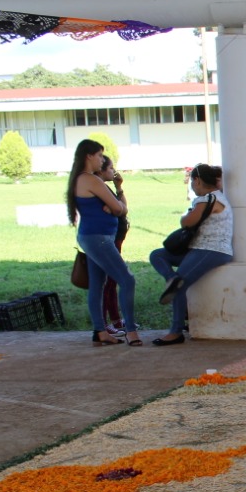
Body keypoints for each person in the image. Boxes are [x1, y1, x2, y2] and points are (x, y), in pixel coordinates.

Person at [148, 164, 233, 346]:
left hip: (212, 249)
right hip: (202, 248)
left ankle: (175, 332)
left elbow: (187, 222)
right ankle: (171, 279)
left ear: (197, 180)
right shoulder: (218, 197)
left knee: (179, 286)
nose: (192, 187)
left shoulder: (206, 200)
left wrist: (184, 215)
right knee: (157, 255)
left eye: (191, 182)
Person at [67, 139, 139, 346]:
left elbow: (115, 207)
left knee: (97, 285)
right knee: (127, 280)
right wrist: (116, 206)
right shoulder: (91, 180)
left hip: (95, 236)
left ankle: (100, 331)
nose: (102, 160)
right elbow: (119, 209)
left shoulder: (83, 179)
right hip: (97, 238)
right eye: (99, 155)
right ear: (89, 156)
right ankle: (131, 331)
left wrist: (115, 204)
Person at [95, 156, 129, 337]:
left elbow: (123, 207)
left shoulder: (107, 188)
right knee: (108, 282)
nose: (113, 171)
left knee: (112, 281)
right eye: (110, 168)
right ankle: (104, 322)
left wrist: (119, 187)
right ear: (100, 170)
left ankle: (115, 319)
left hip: (117, 237)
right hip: (108, 238)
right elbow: (120, 208)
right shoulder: (98, 189)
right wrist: (119, 207)